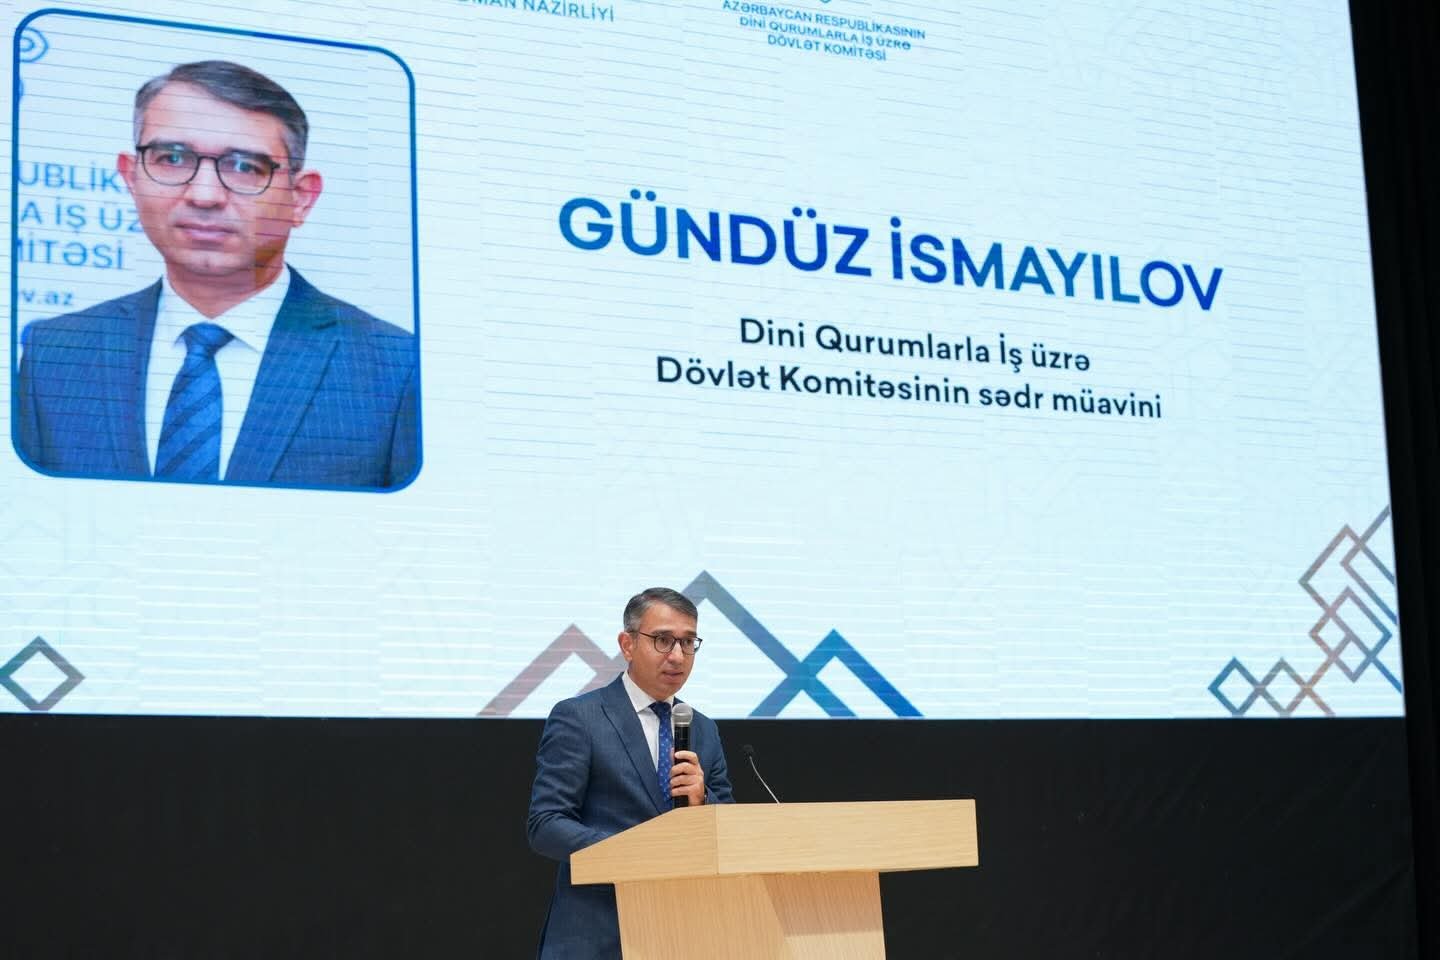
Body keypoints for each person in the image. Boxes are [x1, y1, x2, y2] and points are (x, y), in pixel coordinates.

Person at [14, 60, 418, 489]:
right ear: (131, 178)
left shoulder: (396, 368)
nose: (204, 195)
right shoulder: (55, 352)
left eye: (244, 167)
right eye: (172, 158)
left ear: (301, 198)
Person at [527, 587, 734, 959]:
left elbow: (729, 832)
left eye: (688, 643)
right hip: (598, 935)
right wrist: (633, 854)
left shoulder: (703, 729)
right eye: (663, 640)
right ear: (627, 644)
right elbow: (546, 824)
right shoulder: (581, 718)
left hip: (685, 933)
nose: (677, 655)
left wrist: (703, 801)